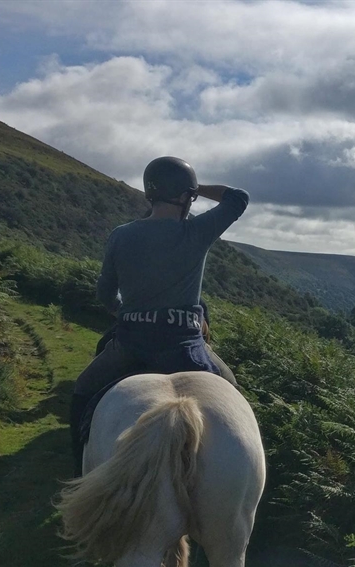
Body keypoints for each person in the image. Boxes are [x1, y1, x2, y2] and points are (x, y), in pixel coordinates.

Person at [69, 156, 249, 475]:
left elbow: (105, 293)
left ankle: (78, 471)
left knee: (82, 393)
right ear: (185, 196)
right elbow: (238, 198)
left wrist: (124, 313)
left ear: (149, 194)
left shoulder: (121, 235)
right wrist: (196, 188)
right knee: (233, 393)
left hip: (132, 345)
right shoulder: (197, 231)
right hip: (187, 347)